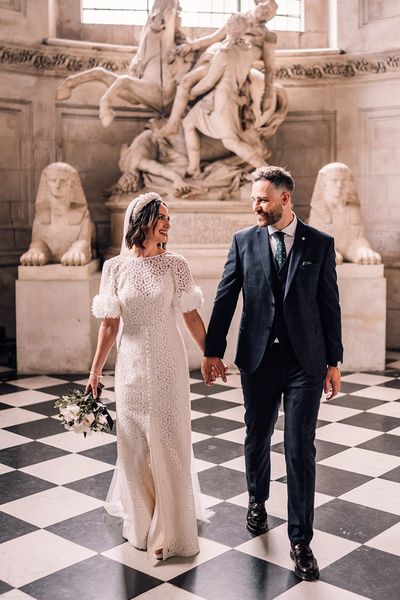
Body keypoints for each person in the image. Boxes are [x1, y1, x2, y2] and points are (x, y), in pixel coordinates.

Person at [202, 166, 343, 581]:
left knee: (300, 448)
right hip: (258, 360)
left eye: (262, 199)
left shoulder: (319, 243)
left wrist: (333, 361)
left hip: (306, 362)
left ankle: (301, 541)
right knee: (256, 436)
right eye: (254, 199)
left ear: (285, 199)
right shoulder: (243, 241)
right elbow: (226, 296)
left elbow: (329, 305)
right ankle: (256, 501)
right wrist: (213, 351)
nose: (256, 206)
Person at [86, 192, 208, 561]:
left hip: (168, 364)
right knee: (134, 448)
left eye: (169, 218)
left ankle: (174, 529)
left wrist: (211, 355)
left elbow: (189, 316)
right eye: (162, 217)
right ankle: (141, 523)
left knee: (169, 443)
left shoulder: (176, 264)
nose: (168, 224)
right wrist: (94, 371)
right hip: (130, 367)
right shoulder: (115, 269)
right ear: (142, 222)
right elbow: (109, 325)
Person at [156, 0, 278, 139]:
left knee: (189, 82)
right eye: (264, 7)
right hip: (213, 58)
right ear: (257, 3)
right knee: (184, 80)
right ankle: (173, 122)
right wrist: (191, 46)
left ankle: (174, 124)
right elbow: (213, 38)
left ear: (271, 18)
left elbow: (270, 66)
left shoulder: (268, 36)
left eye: (269, 12)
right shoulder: (236, 20)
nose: (265, 12)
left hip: (231, 66)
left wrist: (268, 93)